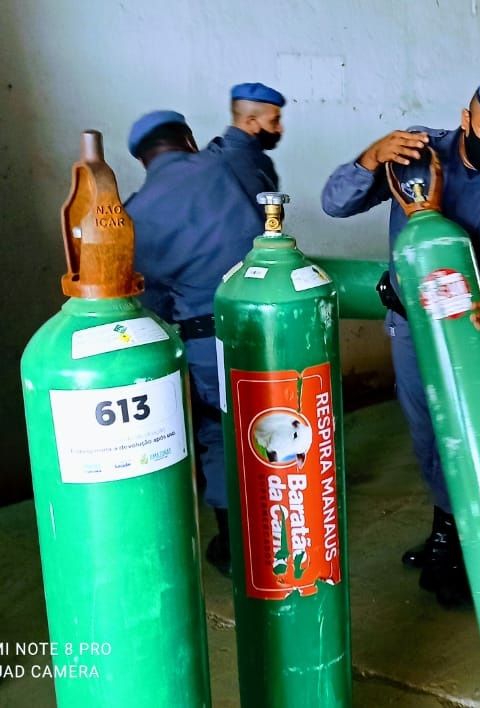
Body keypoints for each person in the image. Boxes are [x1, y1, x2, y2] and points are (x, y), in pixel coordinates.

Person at [321, 78, 480, 608]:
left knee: (472, 439)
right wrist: (371, 158)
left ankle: (465, 547)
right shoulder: (415, 153)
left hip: (477, 334)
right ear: (465, 118)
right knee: (429, 436)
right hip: (413, 328)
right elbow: (334, 204)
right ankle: (447, 528)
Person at [123, 110, 264, 576]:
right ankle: (290, 523)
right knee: (284, 417)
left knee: (220, 433)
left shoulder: (134, 215)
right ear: (187, 137)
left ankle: (236, 545)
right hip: (278, 321)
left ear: (143, 159)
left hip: (208, 341)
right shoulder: (226, 164)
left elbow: (151, 302)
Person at [206, 82, 286, 202]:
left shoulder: (210, 153)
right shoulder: (254, 165)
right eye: (274, 121)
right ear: (251, 122)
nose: (280, 129)